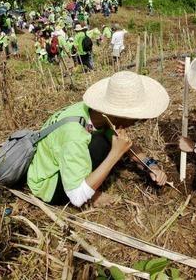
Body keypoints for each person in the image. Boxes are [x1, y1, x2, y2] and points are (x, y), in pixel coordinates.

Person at [27, 71, 170, 207]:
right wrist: (115, 154)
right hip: (48, 185)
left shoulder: (93, 114)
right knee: (101, 144)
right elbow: (76, 197)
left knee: (105, 139)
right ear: (118, 114)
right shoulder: (74, 134)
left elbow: (124, 142)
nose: (136, 123)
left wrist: (150, 165)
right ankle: (93, 195)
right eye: (136, 119)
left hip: (53, 163)